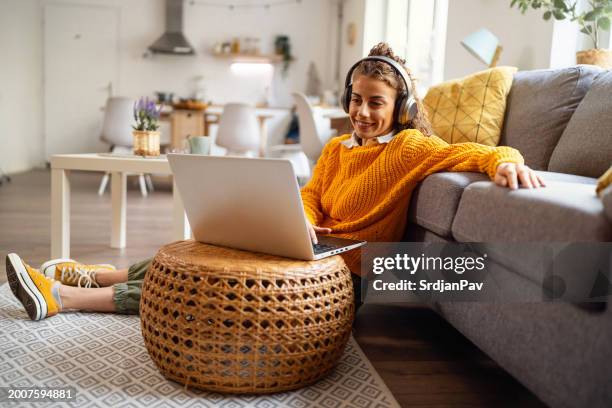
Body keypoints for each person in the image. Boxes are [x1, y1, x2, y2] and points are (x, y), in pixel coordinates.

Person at [6, 42, 544, 321]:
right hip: (306, 249)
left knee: (214, 288)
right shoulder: (336, 147)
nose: (361, 112)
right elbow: (310, 193)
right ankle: (98, 277)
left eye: (375, 103)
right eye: (355, 100)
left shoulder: (409, 148)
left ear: (400, 107)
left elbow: (469, 151)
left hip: (337, 280)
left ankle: (65, 300)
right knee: (208, 249)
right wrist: (303, 220)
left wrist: (504, 160)